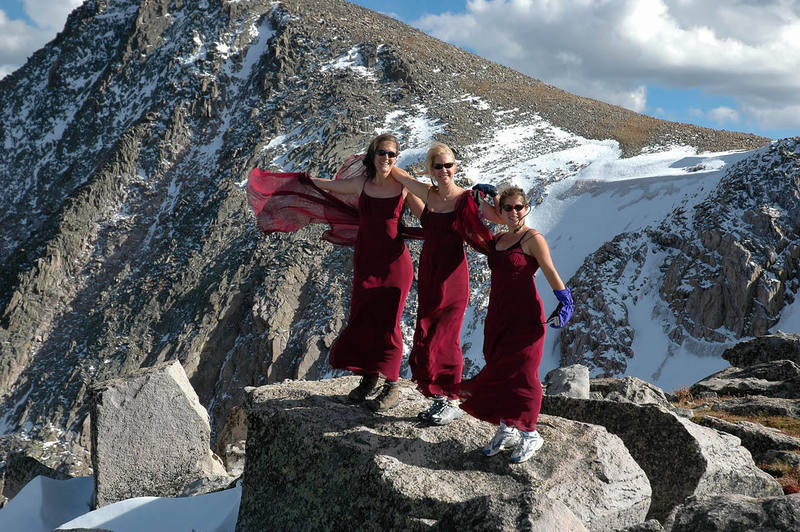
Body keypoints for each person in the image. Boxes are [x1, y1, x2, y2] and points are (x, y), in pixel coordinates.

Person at [247, 133, 423, 411]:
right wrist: (303, 182)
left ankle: (391, 386)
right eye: (382, 153)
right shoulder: (361, 184)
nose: (386, 158)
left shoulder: (402, 186)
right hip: (366, 261)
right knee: (363, 317)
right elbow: (331, 188)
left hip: (395, 264)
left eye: (391, 154)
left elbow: (427, 215)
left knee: (390, 322)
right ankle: (369, 378)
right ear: (372, 154)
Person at [454, 185, 573, 463]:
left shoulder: (532, 239)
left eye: (519, 207)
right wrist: (473, 197)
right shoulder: (496, 240)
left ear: (526, 208)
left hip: (525, 315)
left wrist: (565, 301)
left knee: (524, 373)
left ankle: (530, 433)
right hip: (498, 315)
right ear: (501, 211)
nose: (514, 212)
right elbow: (471, 227)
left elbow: (549, 270)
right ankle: (508, 426)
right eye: (508, 208)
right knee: (498, 365)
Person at [390, 143, 503, 425]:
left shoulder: (466, 198)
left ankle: (452, 397)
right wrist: (376, 159)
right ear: (431, 169)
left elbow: (501, 217)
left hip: (453, 278)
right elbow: (400, 177)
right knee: (428, 335)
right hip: (430, 274)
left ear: (456, 167)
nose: (444, 171)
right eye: (438, 166)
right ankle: (440, 396)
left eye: (449, 165)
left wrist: (495, 195)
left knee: (446, 336)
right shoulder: (429, 196)